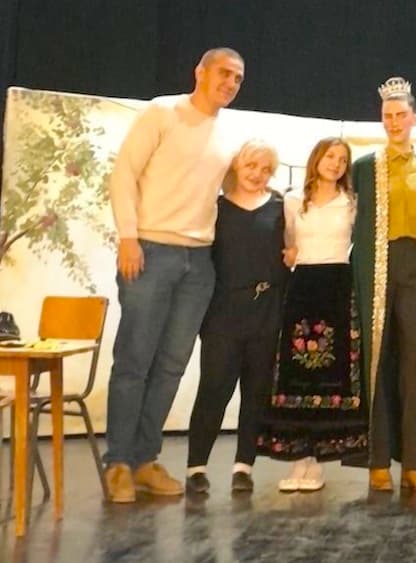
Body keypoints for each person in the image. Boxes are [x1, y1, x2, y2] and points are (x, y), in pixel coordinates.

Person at [105, 47, 245, 503]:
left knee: (170, 366)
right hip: (150, 249)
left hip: (199, 261)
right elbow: (124, 174)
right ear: (200, 72)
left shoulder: (228, 135)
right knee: (134, 360)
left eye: (238, 78)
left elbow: (238, 191)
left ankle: (145, 459)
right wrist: (128, 236)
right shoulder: (162, 112)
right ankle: (118, 463)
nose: (230, 82)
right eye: (224, 73)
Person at [351, 77, 416, 493]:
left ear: (415, 118)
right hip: (376, 263)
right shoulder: (364, 167)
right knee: (377, 359)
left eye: (400, 114)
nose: (393, 122)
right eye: (387, 115)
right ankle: (377, 460)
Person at [256, 137, 366, 492]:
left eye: (342, 159)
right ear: (316, 158)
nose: (335, 163)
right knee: (297, 372)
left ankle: (318, 463)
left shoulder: (352, 202)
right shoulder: (292, 201)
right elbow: (289, 245)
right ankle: (298, 459)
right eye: (330, 156)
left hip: (338, 286)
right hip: (301, 286)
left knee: (330, 373)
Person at [184, 139, 286, 494]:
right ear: (236, 167)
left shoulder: (280, 207)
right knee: (214, 389)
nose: (257, 174)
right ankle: (196, 467)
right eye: (251, 166)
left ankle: (244, 466)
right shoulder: (217, 208)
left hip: (267, 311)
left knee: (256, 391)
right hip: (223, 313)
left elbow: (290, 251)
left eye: (265, 169)